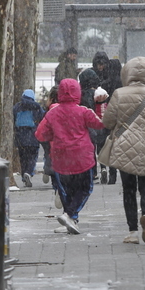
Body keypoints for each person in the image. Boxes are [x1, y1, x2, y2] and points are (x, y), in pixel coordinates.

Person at [101, 56, 145, 244]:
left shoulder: (119, 94)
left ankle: (132, 231)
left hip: (125, 148)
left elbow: (107, 122)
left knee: (129, 189)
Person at [34, 77, 105, 235]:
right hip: (82, 157)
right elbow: (100, 123)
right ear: (77, 92)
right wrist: (100, 105)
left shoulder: (52, 114)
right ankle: (70, 215)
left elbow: (40, 134)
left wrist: (56, 135)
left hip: (60, 159)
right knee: (85, 188)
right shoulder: (83, 111)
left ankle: (71, 220)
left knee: (67, 190)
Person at [12, 89, 45, 187]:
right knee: (32, 157)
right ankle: (29, 172)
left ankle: (23, 175)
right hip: (33, 136)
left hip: (20, 137)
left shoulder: (17, 107)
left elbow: (13, 119)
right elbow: (43, 118)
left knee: (23, 158)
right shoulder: (36, 107)